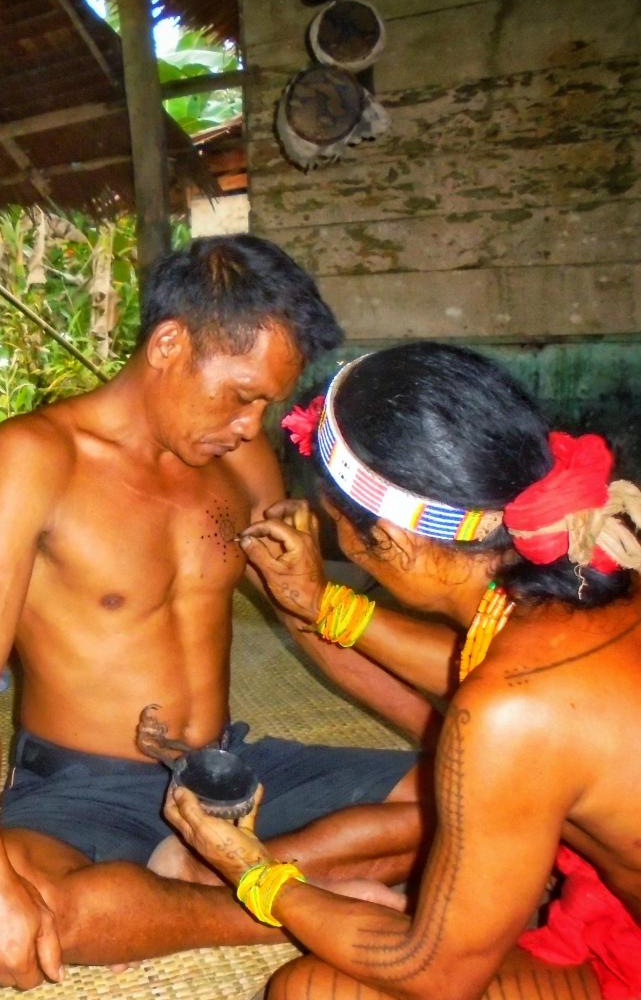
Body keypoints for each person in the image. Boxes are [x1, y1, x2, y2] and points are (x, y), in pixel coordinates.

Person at [0, 235, 432, 990]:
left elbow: (306, 619)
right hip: (84, 786)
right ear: (168, 345)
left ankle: (199, 875)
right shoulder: (36, 457)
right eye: (241, 395)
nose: (250, 424)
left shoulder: (238, 460)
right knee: (35, 911)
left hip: (228, 770)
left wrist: (455, 741)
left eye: (266, 404)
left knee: (469, 806)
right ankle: (267, 902)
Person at [166, 342, 641, 1000]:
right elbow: (490, 670)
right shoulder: (597, 570)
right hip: (613, 906)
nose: (338, 542)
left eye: (337, 527)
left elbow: (434, 973)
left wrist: (256, 874)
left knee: (309, 992)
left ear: (390, 541)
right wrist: (321, 604)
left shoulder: (511, 709)